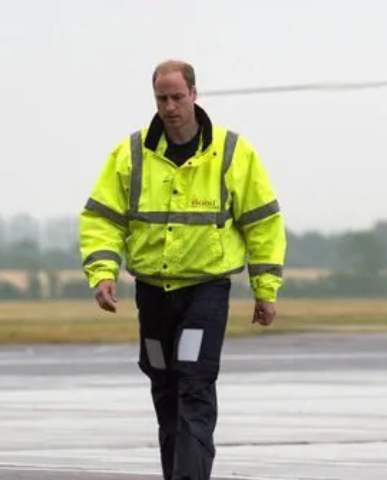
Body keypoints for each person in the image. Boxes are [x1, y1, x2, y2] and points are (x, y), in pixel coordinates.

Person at [79, 59, 286, 480]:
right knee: (164, 385)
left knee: (194, 384)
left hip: (204, 292)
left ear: (194, 93)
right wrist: (102, 272)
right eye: (162, 98)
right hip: (153, 294)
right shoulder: (130, 154)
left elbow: (263, 223)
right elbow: (102, 218)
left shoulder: (233, 153)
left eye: (177, 97)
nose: (170, 107)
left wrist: (266, 289)